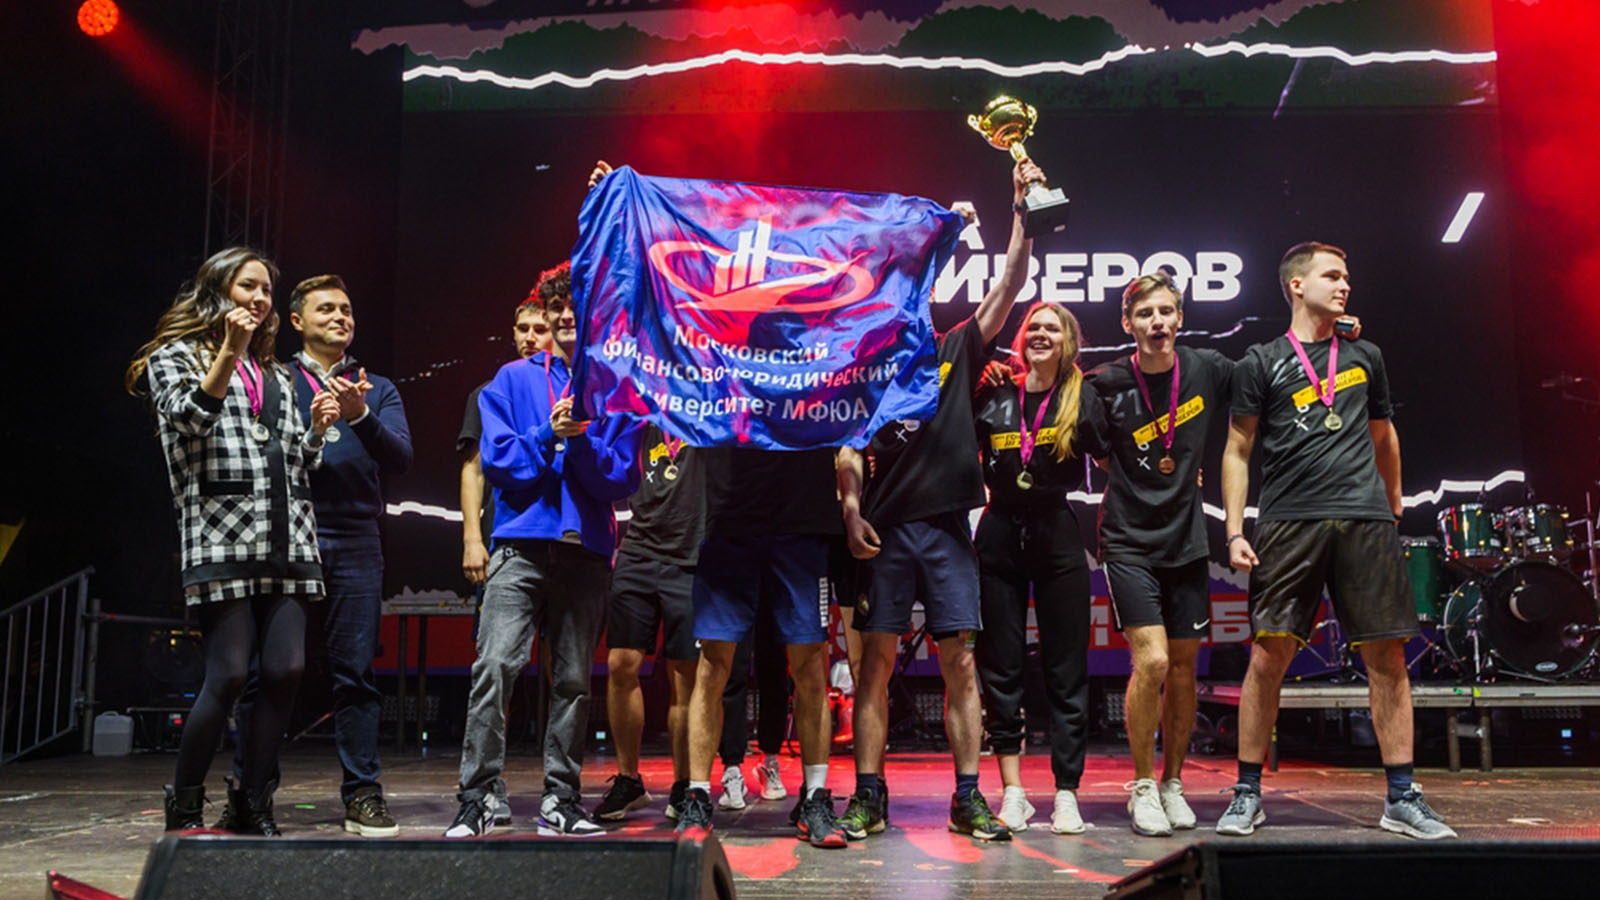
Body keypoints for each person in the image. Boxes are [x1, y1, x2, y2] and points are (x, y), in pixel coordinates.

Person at [836, 156, 1045, 843]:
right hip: (885, 534)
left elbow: (1009, 284)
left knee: (960, 664)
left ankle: (967, 797)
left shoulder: (956, 349)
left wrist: (1022, 215)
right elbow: (847, 451)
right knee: (874, 665)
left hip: (950, 532)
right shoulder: (865, 373)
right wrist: (850, 509)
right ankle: (869, 796)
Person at [1219, 242, 1454, 840]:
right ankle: (1246, 793)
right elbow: (1238, 449)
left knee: (1387, 657)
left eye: (1346, 276)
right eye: (1332, 276)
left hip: (1363, 519)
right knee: (1268, 655)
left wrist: (1392, 502)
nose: (1345, 285)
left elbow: (1384, 434)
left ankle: (1401, 797)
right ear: (1296, 285)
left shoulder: (1365, 355)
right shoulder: (1260, 361)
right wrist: (1235, 529)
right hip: (1289, 521)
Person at [126, 247, 338, 834]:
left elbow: (298, 459)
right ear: (218, 290)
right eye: (249, 286)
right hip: (223, 537)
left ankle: (252, 803)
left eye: (267, 289)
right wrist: (228, 351)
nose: (261, 298)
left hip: (287, 538)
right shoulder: (174, 357)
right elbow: (190, 419)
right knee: (227, 676)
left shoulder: (275, 373)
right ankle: (186, 807)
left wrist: (317, 430)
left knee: (287, 670)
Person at [445, 262, 642, 838]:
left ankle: (562, 798)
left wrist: (578, 443)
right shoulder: (509, 379)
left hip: (585, 553)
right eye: (556, 307)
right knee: (494, 668)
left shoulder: (618, 386)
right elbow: (500, 463)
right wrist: (546, 434)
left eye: (576, 307)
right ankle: (479, 797)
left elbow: (620, 478)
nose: (564, 316)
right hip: (519, 547)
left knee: (574, 682)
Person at [1086, 271, 1233, 836]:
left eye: (1166, 312)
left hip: (1187, 541)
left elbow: (1268, 375)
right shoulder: (1105, 383)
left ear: (1180, 319)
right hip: (1128, 540)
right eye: (1145, 314)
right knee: (1151, 662)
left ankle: (1173, 783)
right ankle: (1143, 786)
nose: (1157, 322)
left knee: (1184, 669)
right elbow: (1098, 452)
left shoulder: (1207, 369)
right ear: (1128, 324)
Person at [971, 301, 1108, 835]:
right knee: (1000, 666)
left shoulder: (1083, 397)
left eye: (1054, 328)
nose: (1042, 334)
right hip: (999, 533)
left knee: (1066, 669)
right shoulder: (995, 393)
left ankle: (1066, 793)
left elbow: (1112, 459)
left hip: (1056, 532)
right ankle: (1013, 792)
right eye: (1034, 327)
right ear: (1021, 339)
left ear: (1069, 341)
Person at [672, 446, 848, 847]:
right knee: (713, 666)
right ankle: (697, 797)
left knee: (809, 668)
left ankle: (815, 798)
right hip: (731, 522)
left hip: (801, 524)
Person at [454, 290, 552, 828]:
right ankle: (485, 785)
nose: (530, 338)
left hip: (562, 546)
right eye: (523, 329)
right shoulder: (491, 389)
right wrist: (473, 538)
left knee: (564, 675)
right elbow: (474, 469)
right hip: (505, 545)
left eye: (540, 328)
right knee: (495, 666)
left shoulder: (571, 388)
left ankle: (559, 792)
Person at [592, 423, 707, 822]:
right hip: (638, 549)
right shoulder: (637, 415)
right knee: (620, 663)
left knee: (684, 676)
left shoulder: (705, 409)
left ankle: (684, 784)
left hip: (691, 554)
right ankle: (629, 780)